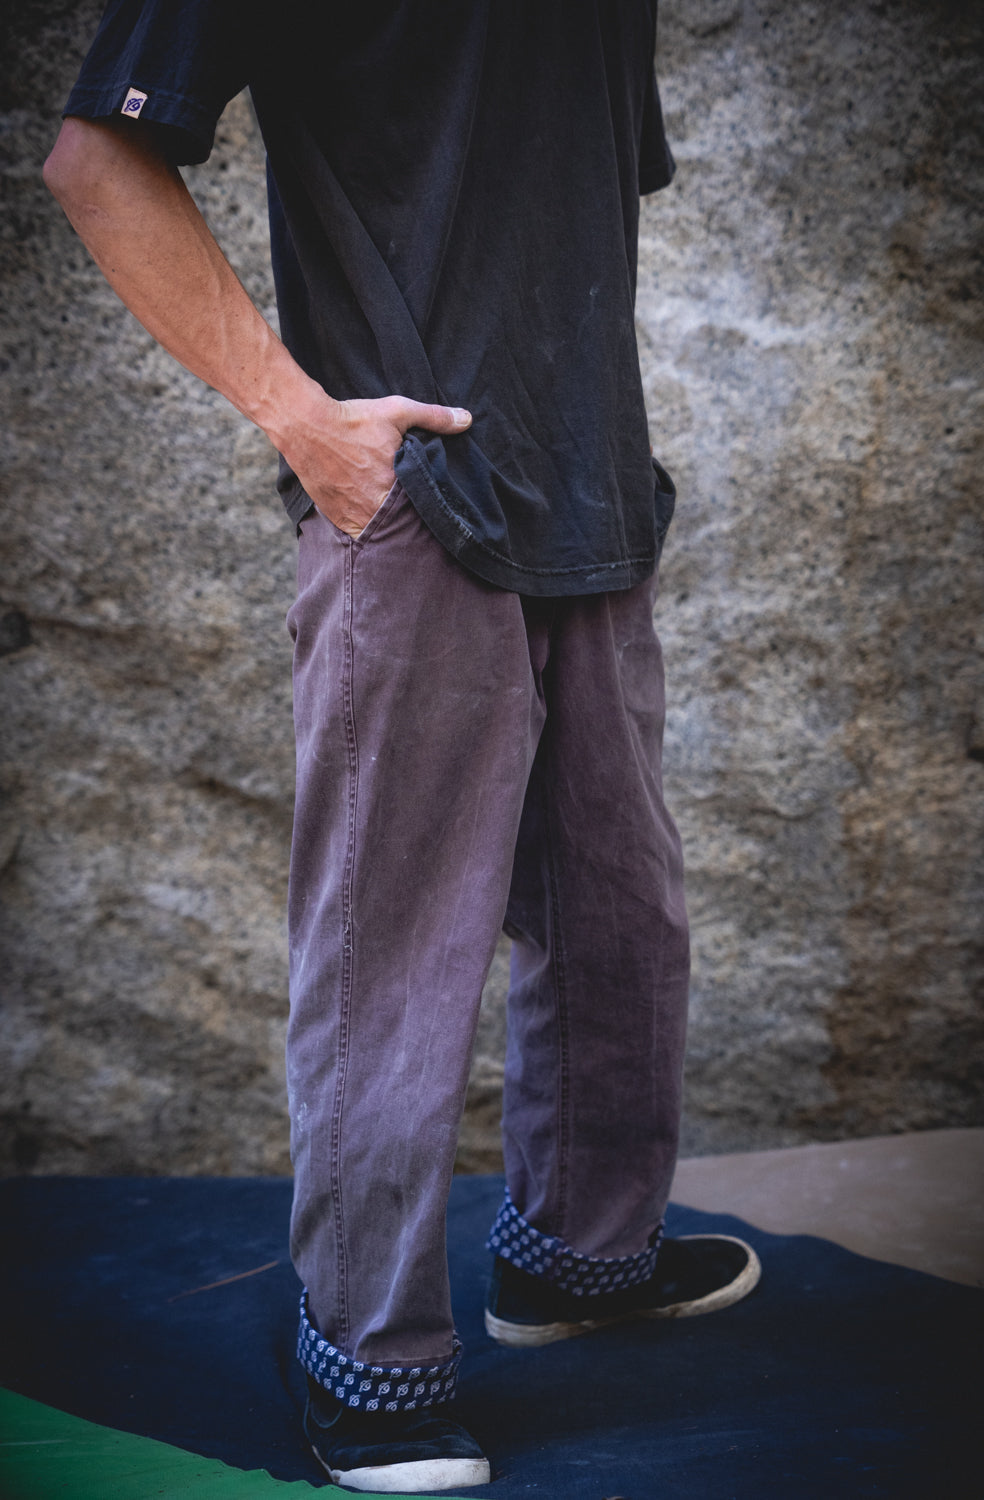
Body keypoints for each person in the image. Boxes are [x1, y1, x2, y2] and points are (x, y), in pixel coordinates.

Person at [45, 1, 761, 1492]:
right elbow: (95, 161)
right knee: (396, 954)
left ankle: (579, 1254)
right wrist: (305, 422)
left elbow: (554, 213)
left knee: (623, 920)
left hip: (593, 498)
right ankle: (367, 1356)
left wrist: (603, 455)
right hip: (421, 509)